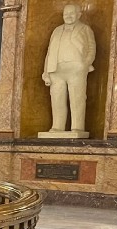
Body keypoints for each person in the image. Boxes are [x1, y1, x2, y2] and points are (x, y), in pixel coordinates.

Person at [42, 4, 96, 133]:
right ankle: (57, 126)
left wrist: (85, 64)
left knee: (77, 99)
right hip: (56, 70)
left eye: (71, 13)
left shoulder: (85, 29)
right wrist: (46, 72)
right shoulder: (56, 30)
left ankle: (77, 127)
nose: (68, 16)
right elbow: (49, 52)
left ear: (79, 14)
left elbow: (91, 49)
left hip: (76, 69)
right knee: (57, 99)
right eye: (65, 13)